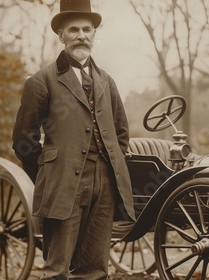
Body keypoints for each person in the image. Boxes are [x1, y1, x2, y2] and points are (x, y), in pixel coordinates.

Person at [12, 0, 135, 278]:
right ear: (61, 35)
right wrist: (50, 171)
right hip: (63, 182)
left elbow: (121, 134)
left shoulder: (106, 81)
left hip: (105, 185)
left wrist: (110, 165)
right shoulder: (42, 80)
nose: (82, 35)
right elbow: (23, 141)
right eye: (74, 29)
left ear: (94, 34)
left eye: (87, 29)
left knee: (95, 269)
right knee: (57, 269)